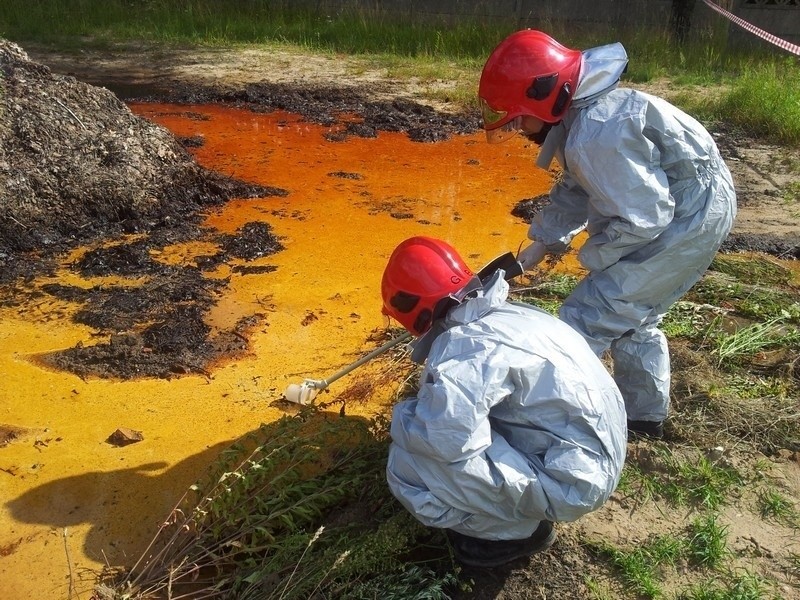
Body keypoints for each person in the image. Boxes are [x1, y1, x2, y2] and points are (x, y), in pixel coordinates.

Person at [478, 30, 737, 439]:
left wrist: (595, 258)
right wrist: (542, 242)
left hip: (688, 217)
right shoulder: (585, 119)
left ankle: (546, 422)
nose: (519, 128)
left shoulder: (597, 132)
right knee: (634, 315)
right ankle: (644, 418)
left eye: (519, 116)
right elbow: (579, 187)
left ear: (547, 96)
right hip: (691, 203)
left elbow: (645, 218)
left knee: (588, 315)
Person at [381, 236, 626, 568]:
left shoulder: (464, 348)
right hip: (591, 453)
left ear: (411, 308)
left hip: (573, 479)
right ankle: (518, 507)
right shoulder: (513, 316)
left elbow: (442, 441)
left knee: (406, 466)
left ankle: (513, 532)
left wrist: (404, 415)